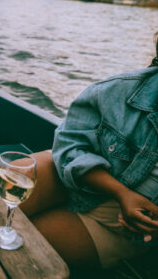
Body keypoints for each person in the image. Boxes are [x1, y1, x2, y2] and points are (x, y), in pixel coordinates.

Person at [20, 47, 158, 271]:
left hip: (128, 224)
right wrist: (122, 192)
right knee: (13, 179)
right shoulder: (123, 88)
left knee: (30, 247)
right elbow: (70, 142)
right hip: (91, 176)